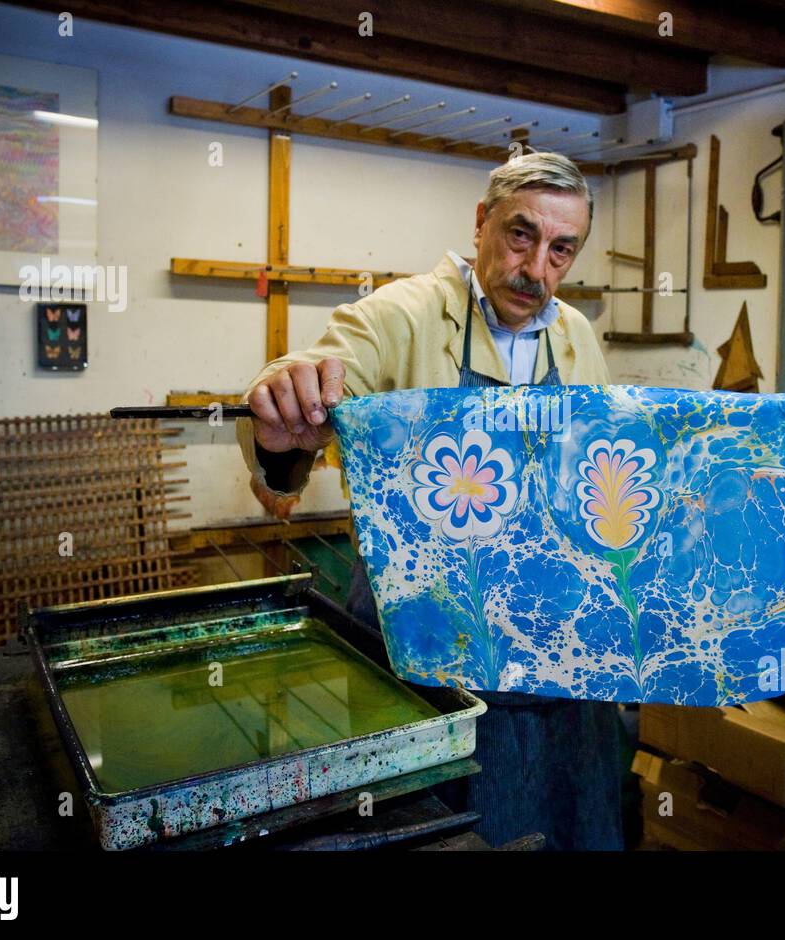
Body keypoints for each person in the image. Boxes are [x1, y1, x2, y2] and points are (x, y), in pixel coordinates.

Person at [237, 152, 623, 850]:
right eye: (520, 235)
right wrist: (284, 407)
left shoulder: (576, 337)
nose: (536, 269)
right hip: (418, 631)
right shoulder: (396, 317)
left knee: (563, 816)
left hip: (547, 636)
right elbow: (310, 399)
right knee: (434, 822)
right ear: (481, 223)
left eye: (560, 249)